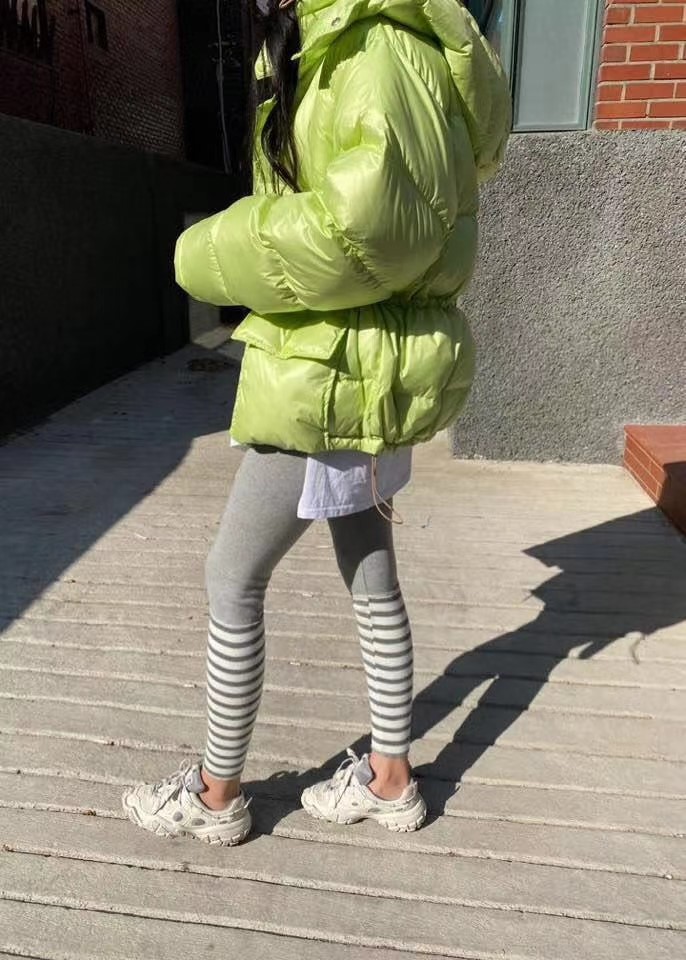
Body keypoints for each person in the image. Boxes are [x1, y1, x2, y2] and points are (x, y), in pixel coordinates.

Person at [122, 0, 511, 846]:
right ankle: (390, 780)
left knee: (232, 577)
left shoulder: (373, 45)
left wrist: (210, 250)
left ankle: (216, 796)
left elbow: (373, 230)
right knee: (370, 575)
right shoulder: (353, 37)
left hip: (330, 373)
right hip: (362, 364)